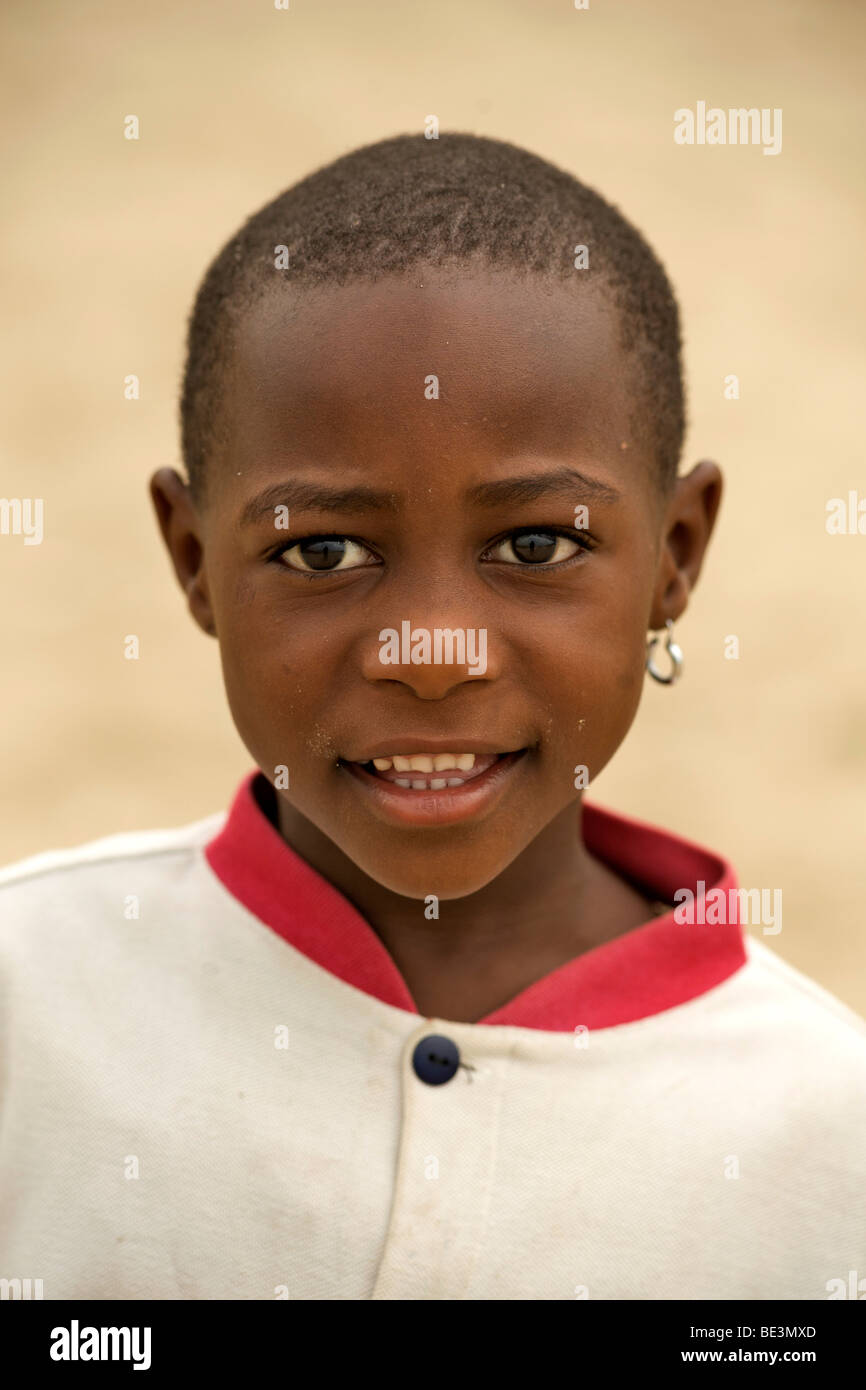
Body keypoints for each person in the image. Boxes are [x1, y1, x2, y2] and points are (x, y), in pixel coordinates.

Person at [1, 133, 863, 1300]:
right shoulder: (30, 1000)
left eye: (534, 545)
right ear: (193, 560)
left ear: (674, 555)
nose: (431, 654)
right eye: (322, 550)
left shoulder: (824, 1132)